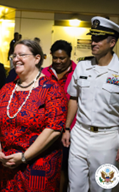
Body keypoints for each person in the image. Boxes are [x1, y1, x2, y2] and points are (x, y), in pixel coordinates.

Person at [0, 40, 67, 191]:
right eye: (14, 55)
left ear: (37, 58)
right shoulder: (7, 89)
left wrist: (24, 157)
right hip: (8, 165)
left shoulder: (51, 89)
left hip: (38, 167)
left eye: (22, 55)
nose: (16, 59)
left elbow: (54, 128)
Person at [64, 16, 119, 192]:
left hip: (107, 138)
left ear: (112, 42)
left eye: (98, 39)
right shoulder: (82, 66)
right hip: (79, 134)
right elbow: (74, 98)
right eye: (92, 38)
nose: (93, 42)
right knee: (75, 187)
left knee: (102, 187)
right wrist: (67, 128)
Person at [41, 40, 77, 192]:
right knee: (47, 164)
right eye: (55, 57)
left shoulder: (78, 72)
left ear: (69, 57)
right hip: (48, 127)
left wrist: (67, 128)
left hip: (72, 128)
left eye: (62, 58)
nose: (58, 61)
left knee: (65, 166)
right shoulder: (44, 73)